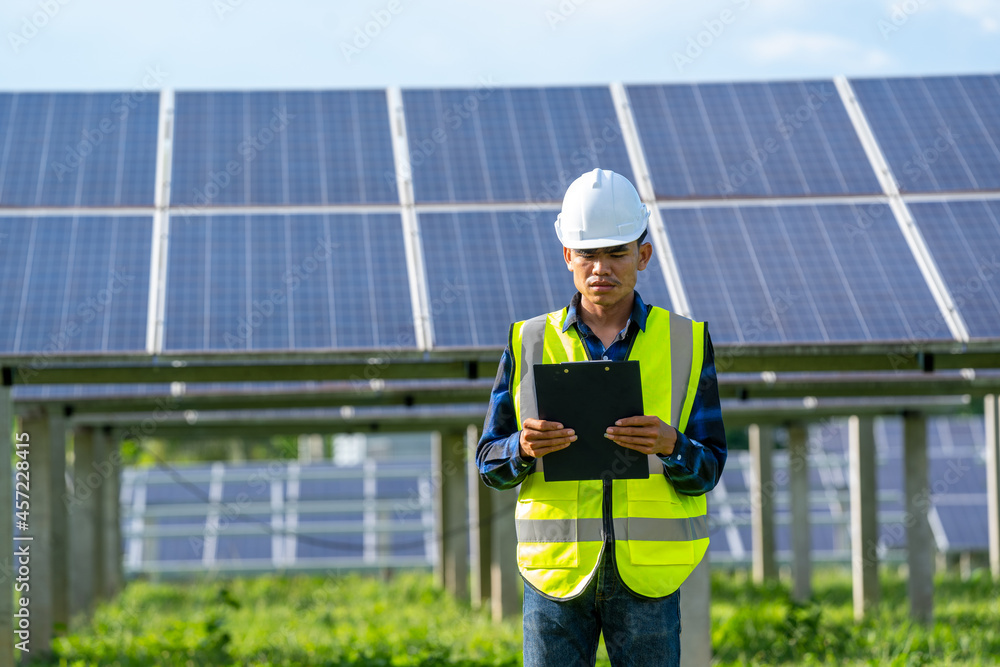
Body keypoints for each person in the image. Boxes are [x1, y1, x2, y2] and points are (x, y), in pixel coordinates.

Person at [476, 168, 727, 667]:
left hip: (649, 575)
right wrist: (522, 449)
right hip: (556, 574)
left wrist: (671, 445)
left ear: (643, 255)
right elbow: (489, 462)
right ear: (567, 256)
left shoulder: (686, 341)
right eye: (588, 253)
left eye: (616, 252)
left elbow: (709, 468)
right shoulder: (527, 341)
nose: (601, 268)